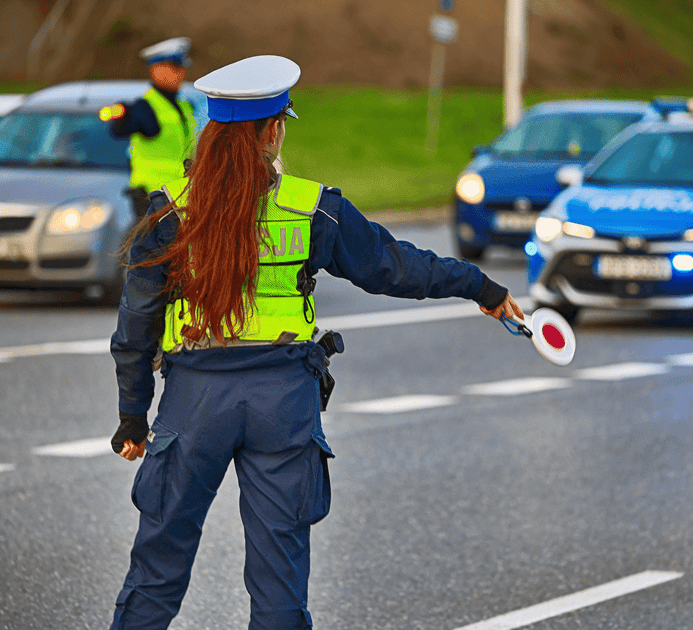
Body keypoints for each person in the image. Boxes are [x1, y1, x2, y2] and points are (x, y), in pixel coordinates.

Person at [107, 55, 525, 630]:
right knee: (280, 584)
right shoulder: (313, 207)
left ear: (210, 134)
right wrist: (479, 285)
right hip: (283, 403)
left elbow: (136, 324)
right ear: (274, 130)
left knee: (156, 572)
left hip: (195, 402)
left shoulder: (171, 212)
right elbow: (393, 267)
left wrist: (133, 415)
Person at [105, 37, 198, 218]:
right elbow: (117, 132)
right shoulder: (144, 107)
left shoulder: (185, 106)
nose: (182, 73)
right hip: (152, 196)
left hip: (181, 192)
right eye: (176, 68)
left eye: (182, 68)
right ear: (156, 70)